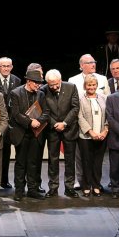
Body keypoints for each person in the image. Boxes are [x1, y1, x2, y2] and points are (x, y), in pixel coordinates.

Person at [9, 69, 48, 201]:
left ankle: (32, 189)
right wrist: (30, 122)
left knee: (33, 163)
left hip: (36, 134)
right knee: (21, 163)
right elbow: (15, 114)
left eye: (39, 83)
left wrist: (39, 121)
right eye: (36, 83)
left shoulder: (41, 94)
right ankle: (19, 190)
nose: (38, 85)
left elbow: (46, 112)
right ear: (28, 81)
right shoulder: (16, 93)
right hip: (22, 132)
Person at [42, 69, 80, 198]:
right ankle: (53, 187)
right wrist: (54, 124)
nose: (53, 87)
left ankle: (69, 187)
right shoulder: (43, 90)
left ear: (60, 79)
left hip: (69, 129)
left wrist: (64, 123)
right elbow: (43, 110)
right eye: (50, 84)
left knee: (70, 160)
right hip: (53, 131)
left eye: (56, 83)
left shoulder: (71, 87)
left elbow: (75, 107)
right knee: (53, 160)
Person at [0, 57, 21, 189]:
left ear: (12, 67)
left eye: (8, 66)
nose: (6, 68)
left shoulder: (16, 80)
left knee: (7, 151)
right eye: (3, 66)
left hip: (10, 122)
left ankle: (4, 180)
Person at [78, 74, 109, 197]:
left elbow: (109, 115)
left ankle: (96, 185)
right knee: (86, 162)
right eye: (89, 85)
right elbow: (79, 116)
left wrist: (105, 131)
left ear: (97, 86)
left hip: (101, 136)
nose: (91, 87)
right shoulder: (80, 98)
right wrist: (90, 132)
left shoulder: (104, 97)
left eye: (93, 85)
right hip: (86, 137)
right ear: (85, 86)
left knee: (98, 162)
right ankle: (86, 186)